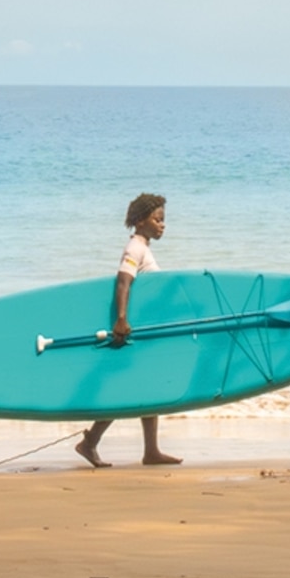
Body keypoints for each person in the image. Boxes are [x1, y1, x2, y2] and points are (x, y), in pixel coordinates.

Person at [79, 192, 180, 468]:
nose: (162, 225)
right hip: (132, 331)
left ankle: (150, 451)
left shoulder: (143, 247)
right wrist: (121, 320)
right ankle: (90, 443)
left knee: (146, 388)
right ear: (140, 220)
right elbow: (123, 282)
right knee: (133, 388)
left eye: (163, 220)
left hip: (145, 331)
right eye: (157, 219)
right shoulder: (135, 247)